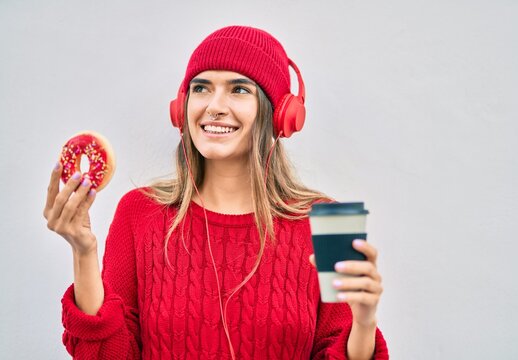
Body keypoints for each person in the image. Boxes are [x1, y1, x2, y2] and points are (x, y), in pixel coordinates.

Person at [44, 25, 389, 359]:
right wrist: (83, 253)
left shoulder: (328, 223)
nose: (214, 106)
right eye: (201, 88)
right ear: (181, 108)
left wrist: (364, 322)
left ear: (280, 115)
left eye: (239, 89)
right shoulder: (138, 212)